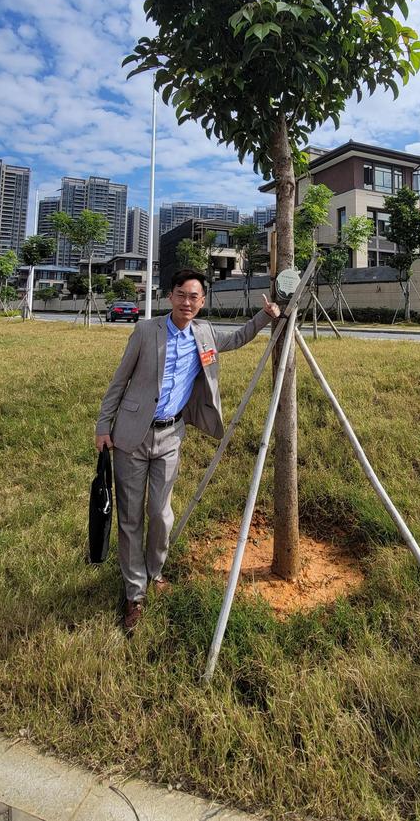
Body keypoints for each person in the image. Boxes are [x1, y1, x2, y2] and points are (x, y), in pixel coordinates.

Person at [95, 268, 280, 632]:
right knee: (130, 517)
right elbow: (120, 380)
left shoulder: (204, 333)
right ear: (170, 296)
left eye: (194, 296)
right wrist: (104, 425)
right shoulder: (147, 331)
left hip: (171, 436)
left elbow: (239, 337)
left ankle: (155, 572)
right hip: (131, 435)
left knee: (160, 513)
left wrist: (265, 315)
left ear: (202, 301)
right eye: (181, 295)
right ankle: (134, 593)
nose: (187, 302)